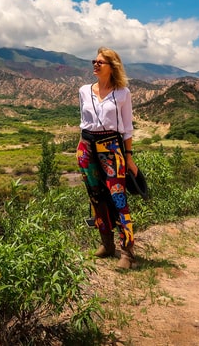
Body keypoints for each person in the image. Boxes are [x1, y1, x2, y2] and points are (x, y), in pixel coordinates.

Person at [77, 47, 138, 269]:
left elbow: (128, 128)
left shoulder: (123, 93)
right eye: (94, 61)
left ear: (112, 66)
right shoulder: (84, 90)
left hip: (111, 147)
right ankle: (106, 243)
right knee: (96, 196)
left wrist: (129, 157)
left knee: (118, 197)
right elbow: (84, 121)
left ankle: (127, 252)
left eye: (100, 62)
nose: (95, 64)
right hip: (86, 146)